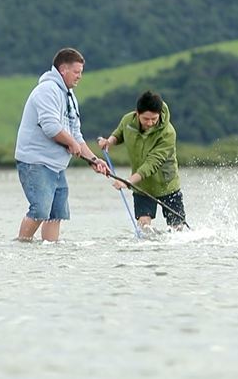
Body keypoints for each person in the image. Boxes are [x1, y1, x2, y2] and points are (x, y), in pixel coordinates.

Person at [14, 47, 109, 242]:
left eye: (81, 73)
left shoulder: (70, 97)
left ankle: (52, 253)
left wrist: (93, 159)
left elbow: (76, 135)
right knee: (40, 210)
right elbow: (50, 127)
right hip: (36, 162)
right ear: (63, 70)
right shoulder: (46, 90)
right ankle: (21, 248)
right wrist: (70, 142)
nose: (79, 77)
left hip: (57, 166)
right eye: (76, 72)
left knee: (57, 213)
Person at [97, 91, 187, 231]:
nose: (150, 123)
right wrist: (109, 141)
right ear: (137, 113)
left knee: (178, 230)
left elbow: (152, 164)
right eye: (146, 119)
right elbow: (120, 133)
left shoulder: (168, 133)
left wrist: (127, 182)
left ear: (159, 115)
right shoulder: (128, 120)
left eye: (154, 119)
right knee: (144, 228)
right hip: (142, 186)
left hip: (167, 185)